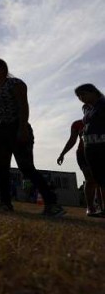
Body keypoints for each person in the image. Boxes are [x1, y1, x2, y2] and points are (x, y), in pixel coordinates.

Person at [0, 58, 65, 216]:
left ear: (2, 68)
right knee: (1, 169)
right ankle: (5, 202)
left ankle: (52, 203)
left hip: (16, 128)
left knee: (26, 167)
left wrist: (22, 127)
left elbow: (23, 105)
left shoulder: (15, 84)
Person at [57, 110, 102, 216]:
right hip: (83, 153)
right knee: (90, 179)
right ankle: (90, 208)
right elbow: (72, 140)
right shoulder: (77, 124)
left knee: (100, 180)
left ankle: (101, 207)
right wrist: (62, 153)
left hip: (100, 152)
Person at [76, 84, 105, 214]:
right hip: (90, 147)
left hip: (102, 145)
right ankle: (98, 208)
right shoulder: (88, 109)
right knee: (98, 178)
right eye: (79, 96)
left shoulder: (103, 104)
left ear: (93, 92)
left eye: (83, 94)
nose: (81, 98)